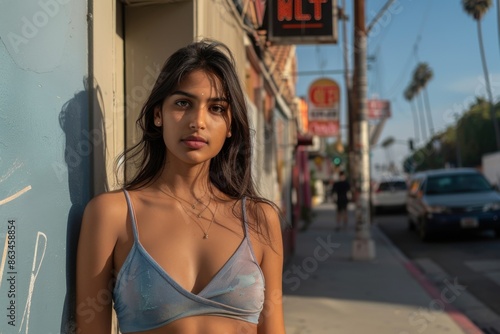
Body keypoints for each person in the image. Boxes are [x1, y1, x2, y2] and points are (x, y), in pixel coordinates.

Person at [76, 40, 285, 334]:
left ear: (230, 127)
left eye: (216, 108)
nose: (197, 122)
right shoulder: (112, 215)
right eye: (183, 103)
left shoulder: (260, 220)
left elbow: (273, 328)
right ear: (158, 115)